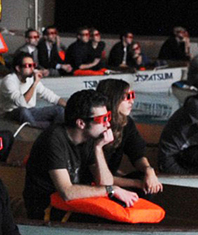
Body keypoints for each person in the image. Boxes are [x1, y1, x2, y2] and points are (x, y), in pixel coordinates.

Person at [23, 89, 138, 220]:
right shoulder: (53, 140)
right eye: (103, 119)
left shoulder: (90, 138)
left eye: (108, 116)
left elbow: (106, 183)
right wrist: (112, 190)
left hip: (73, 203)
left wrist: (98, 148)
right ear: (81, 123)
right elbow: (67, 192)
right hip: (45, 208)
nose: (108, 123)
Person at [95, 79, 162, 195]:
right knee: (141, 186)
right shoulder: (96, 126)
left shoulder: (126, 123)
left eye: (132, 95)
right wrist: (136, 183)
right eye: (127, 97)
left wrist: (148, 170)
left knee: (144, 179)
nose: (132, 101)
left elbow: (137, 154)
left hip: (111, 179)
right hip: (96, 184)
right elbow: (97, 177)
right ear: (114, 99)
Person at [0, 52, 66, 128]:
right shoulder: (9, 81)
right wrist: (35, 83)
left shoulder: (30, 78)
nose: (32, 69)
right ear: (18, 68)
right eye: (29, 66)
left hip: (31, 111)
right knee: (23, 111)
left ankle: (52, 130)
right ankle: (38, 129)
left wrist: (68, 106)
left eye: (33, 65)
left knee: (59, 110)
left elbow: (49, 95)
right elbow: (21, 103)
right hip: (9, 113)